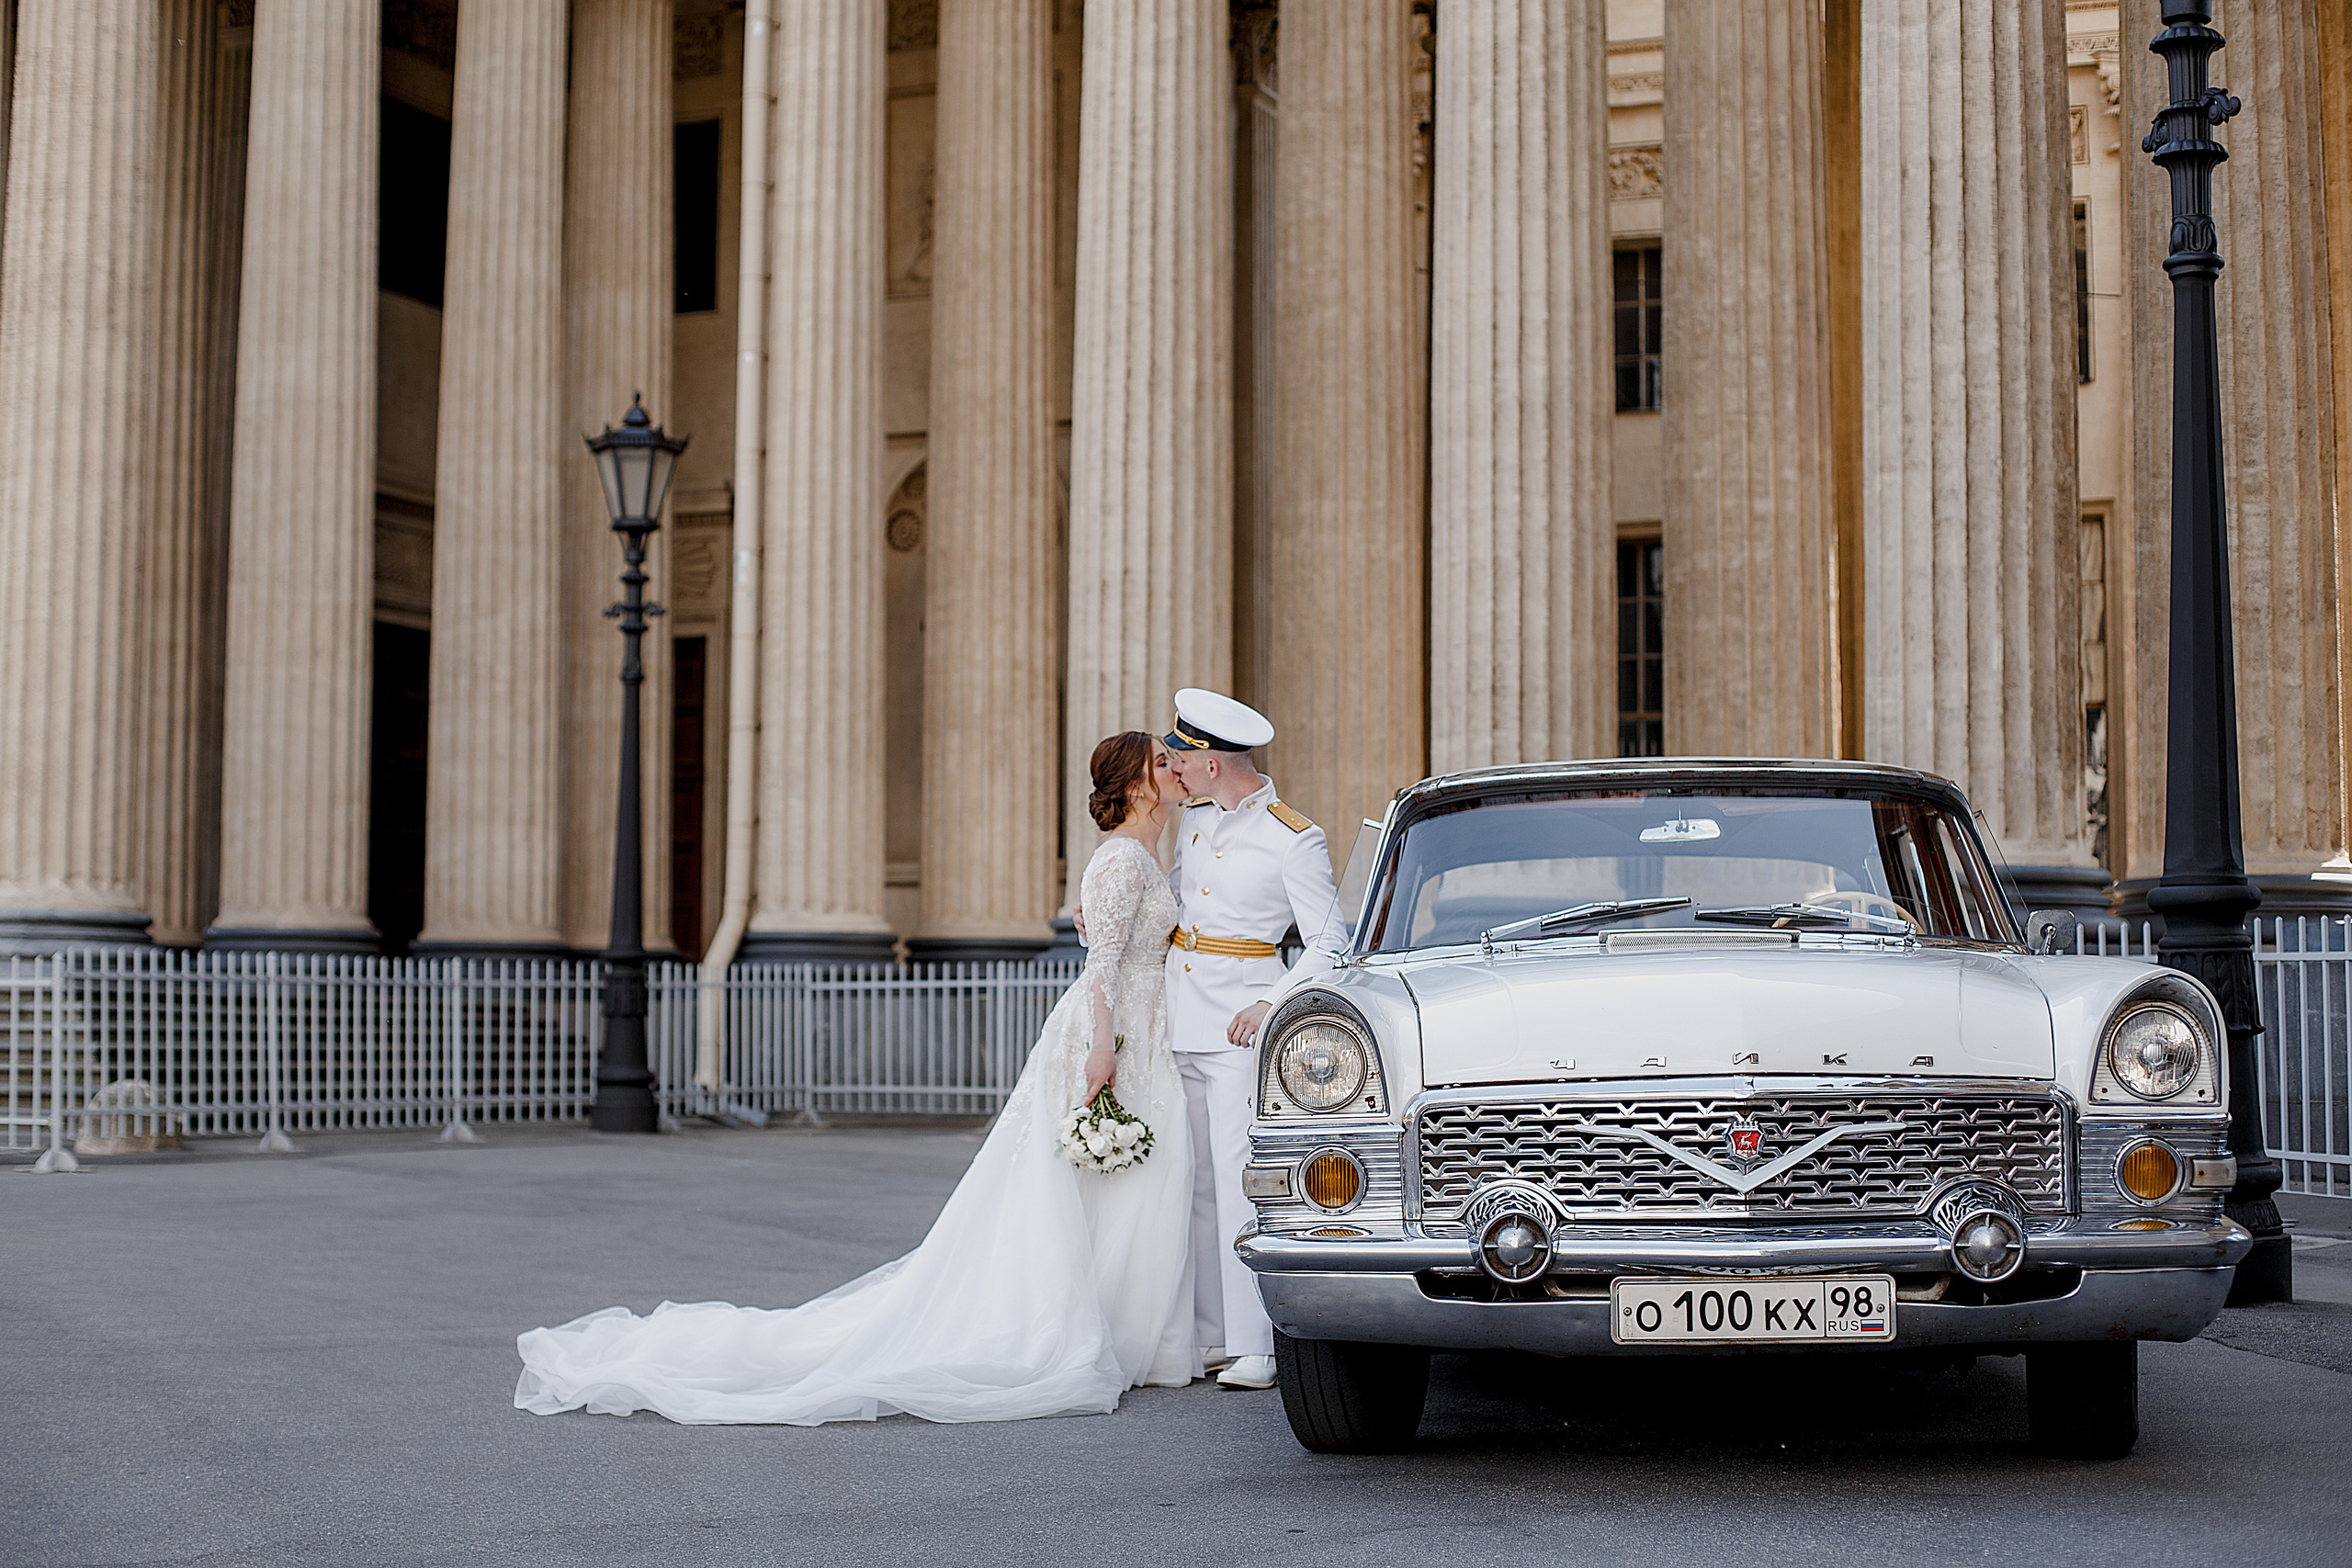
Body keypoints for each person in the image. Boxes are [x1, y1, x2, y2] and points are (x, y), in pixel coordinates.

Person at [513, 733, 1198, 1425]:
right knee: (1092, 1175)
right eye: (1162, 762)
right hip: (1111, 1031)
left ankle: (1126, 1324)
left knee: (1125, 1176)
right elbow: (1103, 963)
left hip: (1147, 1028)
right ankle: (1082, 1323)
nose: (1174, 768)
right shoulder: (1120, 860)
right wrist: (1102, 1048)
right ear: (1137, 786)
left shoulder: (1150, 856)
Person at [1159, 689, 1350, 1391]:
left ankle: (1256, 1344)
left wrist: (1274, 1001)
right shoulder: (1196, 820)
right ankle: (1212, 1334)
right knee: (1198, 1179)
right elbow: (1176, 901)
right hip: (1181, 1010)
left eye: (1181, 756)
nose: (1173, 766)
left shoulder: (1291, 834)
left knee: (1242, 1180)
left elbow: (1332, 938)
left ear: (1209, 762)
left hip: (1239, 1021)